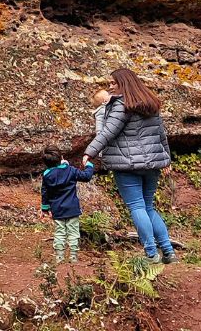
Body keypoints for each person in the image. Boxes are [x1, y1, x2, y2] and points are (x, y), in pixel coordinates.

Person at [82, 68, 175, 263]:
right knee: (148, 207)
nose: (110, 86)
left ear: (123, 83)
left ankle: (151, 253)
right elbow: (161, 135)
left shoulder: (121, 105)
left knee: (137, 207)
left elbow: (108, 132)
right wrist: (166, 159)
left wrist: (89, 152)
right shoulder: (151, 103)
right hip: (152, 165)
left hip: (127, 165)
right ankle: (168, 251)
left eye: (113, 83)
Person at [40, 149, 95, 264]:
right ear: (62, 158)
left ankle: (59, 258)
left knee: (60, 232)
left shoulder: (47, 175)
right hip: (72, 208)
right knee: (73, 232)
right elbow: (86, 176)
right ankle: (73, 257)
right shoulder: (70, 170)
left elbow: (45, 192)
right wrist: (88, 165)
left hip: (57, 209)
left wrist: (45, 208)